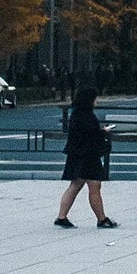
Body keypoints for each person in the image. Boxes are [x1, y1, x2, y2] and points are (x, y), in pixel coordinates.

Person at [56, 86, 115, 228]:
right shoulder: (86, 116)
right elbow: (90, 135)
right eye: (95, 98)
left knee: (75, 185)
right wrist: (103, 132)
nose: (97, 101)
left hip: (77, 155)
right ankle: (101, 219)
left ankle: (61, 216)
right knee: (94, 186)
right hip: (87, 156)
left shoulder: (77, 114)